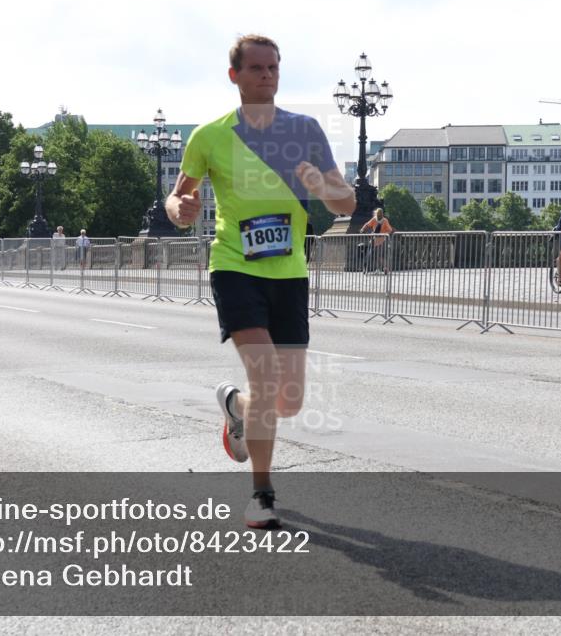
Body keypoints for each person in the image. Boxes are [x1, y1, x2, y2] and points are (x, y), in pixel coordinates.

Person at [166, 34, 355, 529]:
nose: (267, 75)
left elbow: (347, 204)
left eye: (273, 67)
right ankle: (262, 494)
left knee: (286, 401)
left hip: (289, 272)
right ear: (235, 75)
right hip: (234, 266)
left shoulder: (305, 129)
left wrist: (322, 187)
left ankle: (237, 408)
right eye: (256, 68)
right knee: (267, 376)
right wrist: (180, 210)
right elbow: (178, 199)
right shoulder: (208, 136)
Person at [360, 207, 393, 273]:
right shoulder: (384, 220)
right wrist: (384, 234)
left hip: (375, 239)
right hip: (381, 240)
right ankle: (384, 268)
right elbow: (390, 230)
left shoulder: (375, 219)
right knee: (379, 255)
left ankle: (367, 268)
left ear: (376, 214)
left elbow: (367, 224)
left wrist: (362, 229)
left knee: (371, 255)